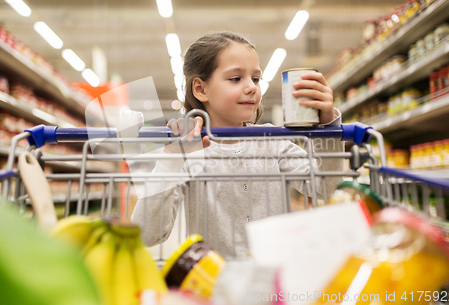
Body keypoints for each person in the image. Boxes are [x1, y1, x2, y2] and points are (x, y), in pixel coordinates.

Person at [131, 31, 343, 258]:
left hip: (274, 281)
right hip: (213, 282)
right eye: (235, 78)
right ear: (201, 89)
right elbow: (146, 234)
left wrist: (328, 126)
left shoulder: (271, 141)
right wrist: (171, 160)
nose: (251, 87)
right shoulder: (189, 153)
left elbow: (326, 188)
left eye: (255, 78)